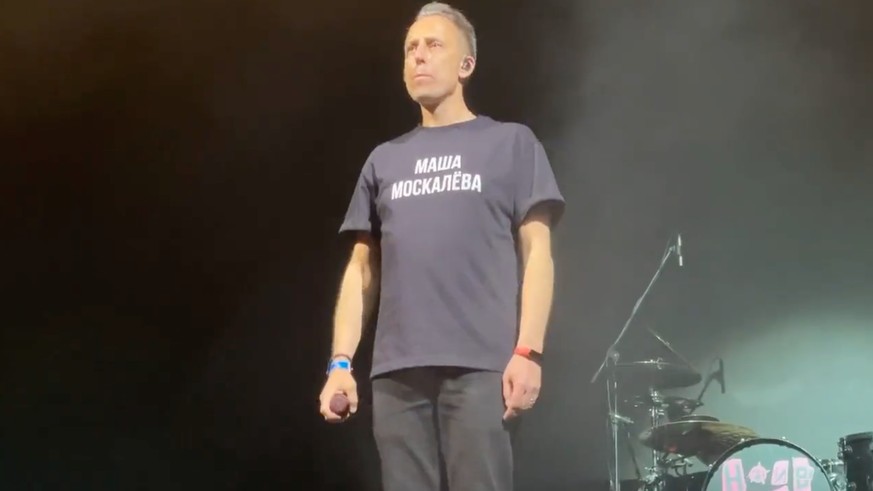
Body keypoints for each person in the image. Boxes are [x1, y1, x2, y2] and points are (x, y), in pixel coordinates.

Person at [318, 2, 565, 490]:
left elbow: (538, 253)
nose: (418, 56)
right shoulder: (384, 160)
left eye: (433, 45)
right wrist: (340, 362)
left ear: (466, 64)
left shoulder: (511, 144)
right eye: (410, 48)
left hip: (480, 368)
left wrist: (529, 351)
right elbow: (361, 270)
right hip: (397, 375)